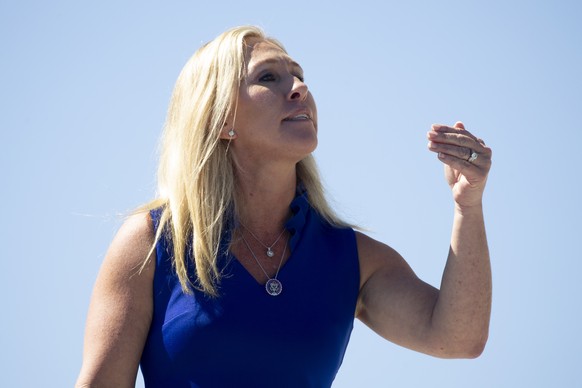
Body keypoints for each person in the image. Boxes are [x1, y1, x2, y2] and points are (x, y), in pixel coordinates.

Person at [75, 25, 492, 388]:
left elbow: (456, 337)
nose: (299, 89)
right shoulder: (151, 241)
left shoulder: (352, 258)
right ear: (221, 120)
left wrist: (467, 207)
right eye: (269, 77)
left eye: (299, 76)